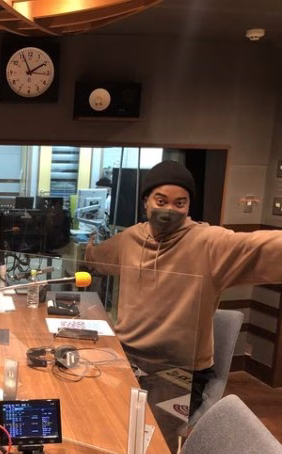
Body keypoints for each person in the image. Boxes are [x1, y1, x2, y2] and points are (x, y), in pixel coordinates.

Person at [85, 161, 282, 417]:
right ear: (146, 201)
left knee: (151, 436)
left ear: (189, 206)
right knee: (97, 413)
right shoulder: (130, 238)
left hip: (180, 370)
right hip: (127, 356)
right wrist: (89, 252)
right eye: (161, 201)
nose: (169, 210)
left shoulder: (209, 242)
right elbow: (97, 258)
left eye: (180, 203)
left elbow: (262, 247)